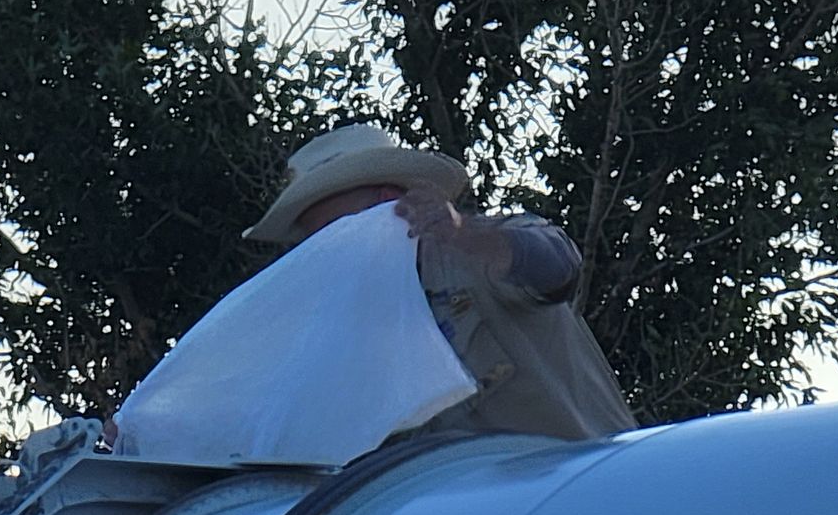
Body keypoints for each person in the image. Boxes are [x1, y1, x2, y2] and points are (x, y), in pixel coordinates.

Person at [244, 123, 636, 442]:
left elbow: (556, 267)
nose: (328, 253)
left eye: (337, 231)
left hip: (592, 492)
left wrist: (465, 234)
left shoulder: (475, 253)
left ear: (388, 202)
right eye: (316, 246)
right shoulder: (347, 332)